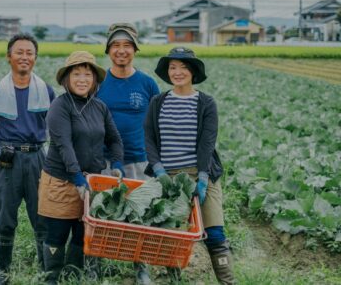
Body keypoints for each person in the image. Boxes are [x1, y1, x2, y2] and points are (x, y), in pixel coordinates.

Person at [144, 47, 235, 284]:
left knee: (214, 233)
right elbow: (149, 139)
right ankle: (173, 279)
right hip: (168, 176)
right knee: (170, 234)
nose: (178, 72)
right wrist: (159, 170)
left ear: (193, 72)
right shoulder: (158, 102)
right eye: (173, 67)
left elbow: (207, 142)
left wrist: (203, 178)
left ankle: (228, 281)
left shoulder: (206, 103)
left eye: (184, 67)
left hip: (201, 173)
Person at [38, 51, 124, 285]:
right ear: (67, 78)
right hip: (62, 181)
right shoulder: (59, 106)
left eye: (87, 74)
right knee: (57, 234)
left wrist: (116, 164)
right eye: (76, 74)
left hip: (91, 182)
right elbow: (64, 146)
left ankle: (72, 274)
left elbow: (114, 139)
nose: (82, 79)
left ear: (94, 80)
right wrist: (76, 178)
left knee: (81, 232)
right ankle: (51, 277)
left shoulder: (100, 107)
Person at [0, 33, 56, 285]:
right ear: (9, 56)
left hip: (37, 158)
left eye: (29, 53)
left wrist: (35, 145)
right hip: (7, 159)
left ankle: (46, 269)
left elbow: (51, 125)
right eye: (19, 52)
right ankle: (3, 270)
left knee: (43, 215)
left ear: (35, 58)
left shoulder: (45, 90)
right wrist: (7, 146)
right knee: (3, 216)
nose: (24, 57)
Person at [96, 22, 160, 284]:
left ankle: (141, 266)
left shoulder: (147, 84)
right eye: (115, 46)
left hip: (139, 159)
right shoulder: (98, 81)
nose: (121, 51)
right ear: (108, 50)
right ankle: (95, 263)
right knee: (99, 213)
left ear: (135, 50)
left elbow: (158, 123)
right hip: (103, 159)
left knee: (140, 213)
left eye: (127, 46)